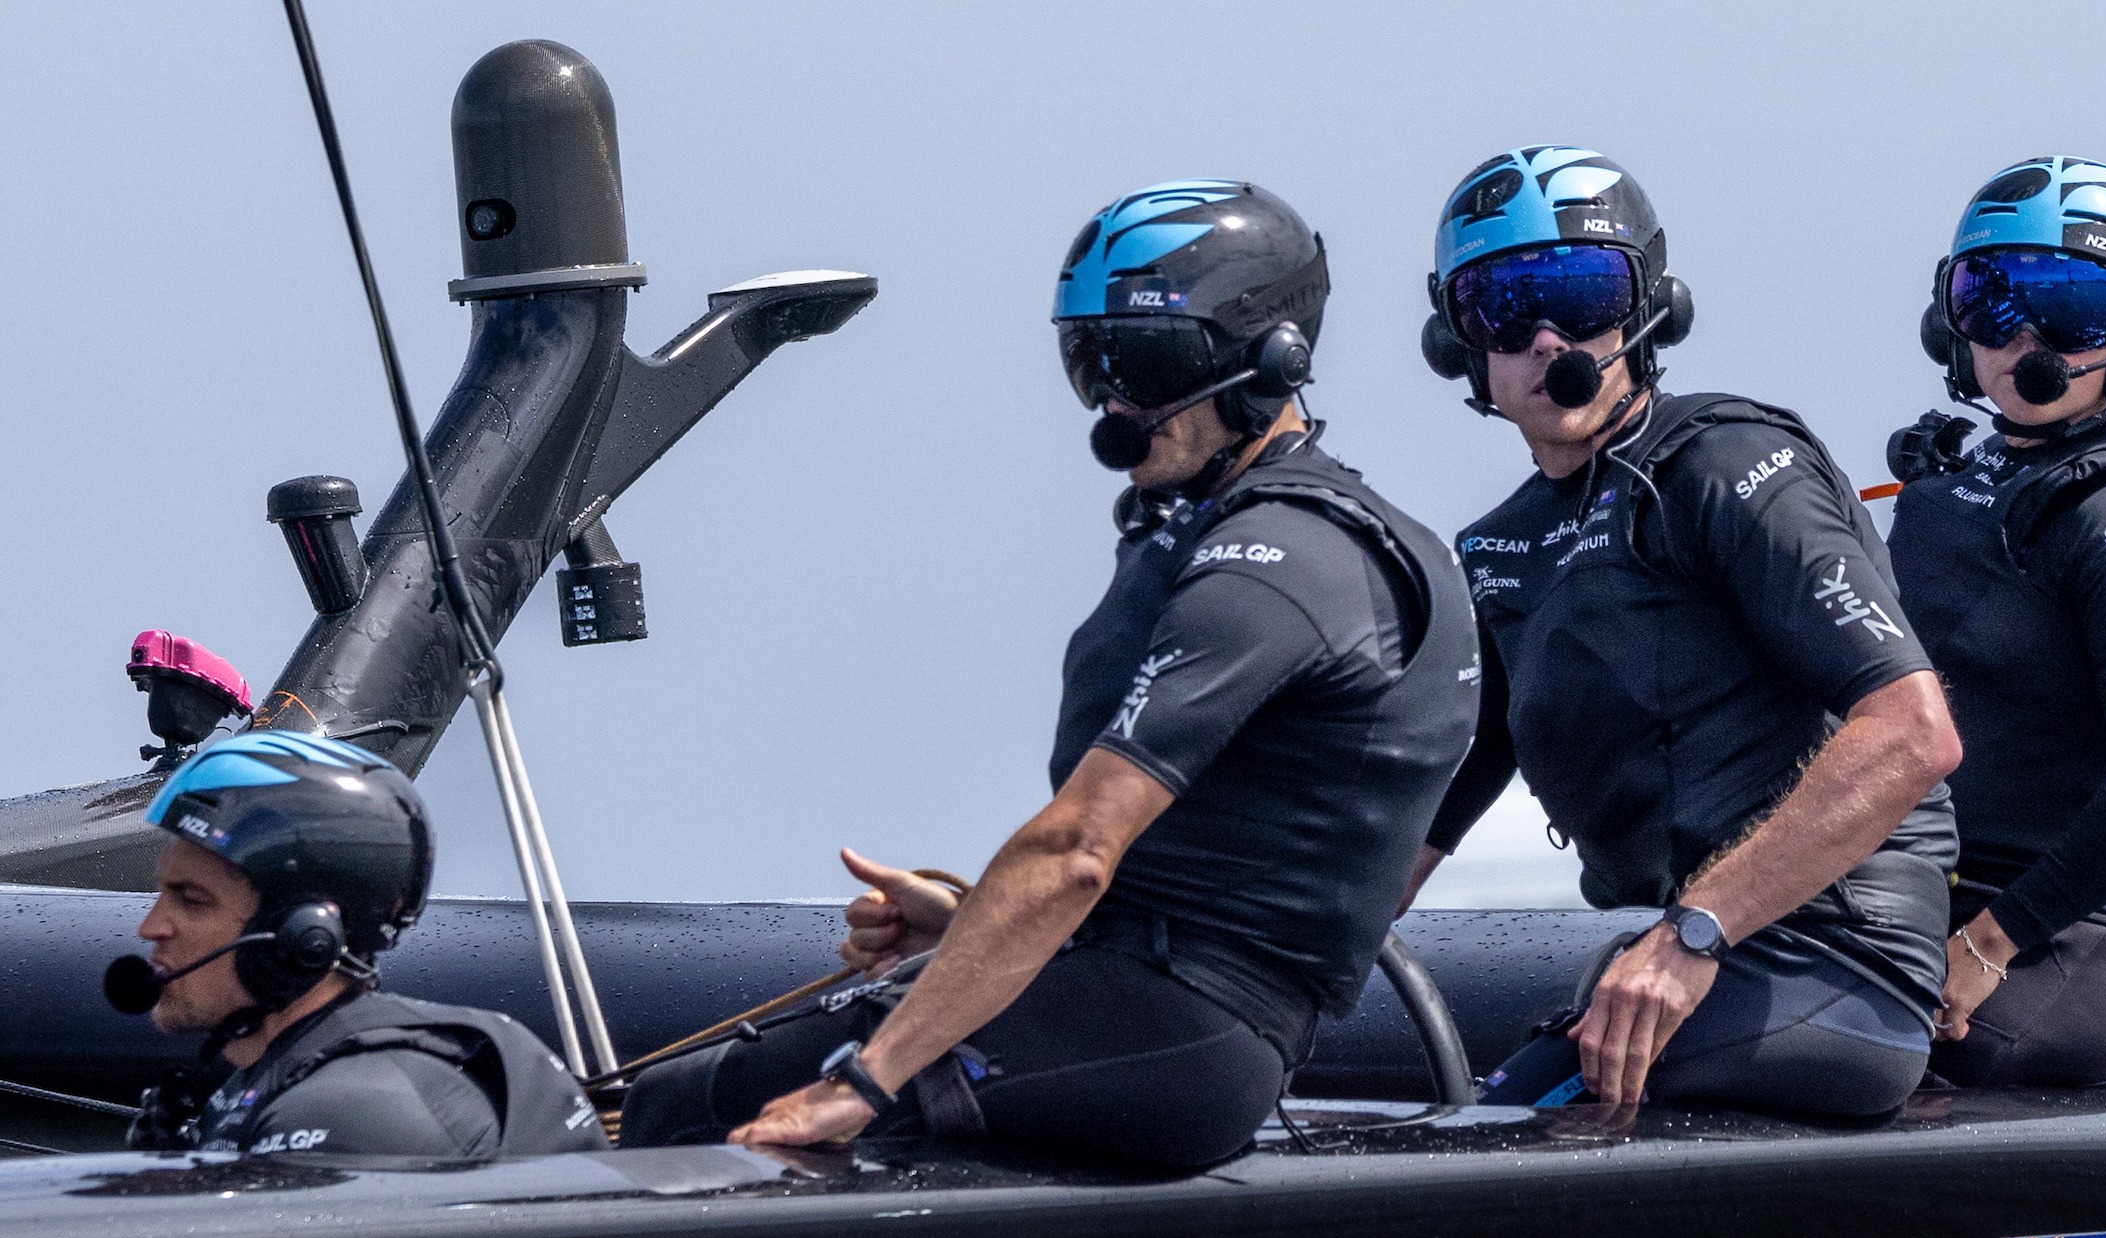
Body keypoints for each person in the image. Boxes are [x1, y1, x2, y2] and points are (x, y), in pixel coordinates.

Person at [620, 180, 1479, 1167]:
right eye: (1093, 361)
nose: (1117, 402)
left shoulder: (1277, 568)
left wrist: (866, 1079)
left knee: (681, 1112)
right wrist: (970, 936)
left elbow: (1078, 849)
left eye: (1148, 362)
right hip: (1152, 1014)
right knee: (687, 1090)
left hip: (1181, 1038)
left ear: (1268, 361)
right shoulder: (1274, 538)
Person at [1410, 146, 1962, 1118]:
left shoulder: (1726, 466)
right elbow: (1436, 801)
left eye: (1583, 295)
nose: (1545, 338)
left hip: (1836, 958)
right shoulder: (1500, 546)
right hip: (1681, 952)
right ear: (1458, 340)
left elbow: (1913, 734)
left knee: (1506, 1117)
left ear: (1651, 310)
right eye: (1502, 306)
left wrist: (1695, 933)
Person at [1885, 158, 2106, 1087]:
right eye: (1993, 301)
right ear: (1949, 321)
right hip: (1909, 905)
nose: (2027, 339)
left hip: (2046, 954)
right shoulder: (1958, 490)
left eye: (2075, 308)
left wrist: (1989, 943)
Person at [118, 730, 608, 1157]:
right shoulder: (261, 1086)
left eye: (192, 900)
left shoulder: (358, 1112)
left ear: (302, 936)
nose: (151, 926)